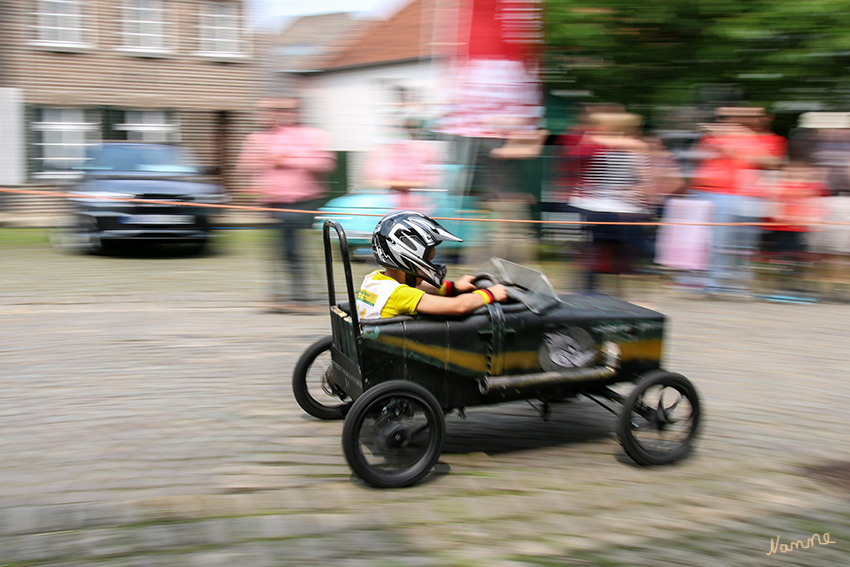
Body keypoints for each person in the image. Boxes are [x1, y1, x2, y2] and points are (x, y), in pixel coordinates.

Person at [236, 97, 336, 312]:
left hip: (302, 201)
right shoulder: (257, 138)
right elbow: (243, 165)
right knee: (279, 249)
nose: (277, 114)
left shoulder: (311, 136)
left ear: (296, 112)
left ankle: (301, 295)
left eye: (284, 109)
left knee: (291, 246)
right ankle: (287, 294)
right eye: (270, 110)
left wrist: (287, 159)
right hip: (272, 203)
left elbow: (325, 163)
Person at [356, 211, 508, 319]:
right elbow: (459, 306)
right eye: (428, 259)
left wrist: (454, 287)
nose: (431, 265)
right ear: (409, 258)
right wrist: (490, 294)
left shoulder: (375, 279)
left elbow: (419, 286)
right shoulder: (399, 295)